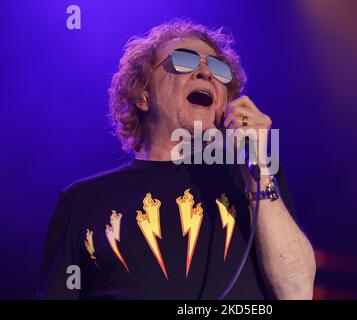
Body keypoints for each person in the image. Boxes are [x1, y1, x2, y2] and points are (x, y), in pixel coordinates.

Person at [37, 19, 316, 300]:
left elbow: (297, 291)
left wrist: (258, 172)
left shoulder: (252, 176)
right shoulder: (83, 201)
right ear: (143, 94)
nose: (206, 73)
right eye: (184, 60)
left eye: (219, 68)